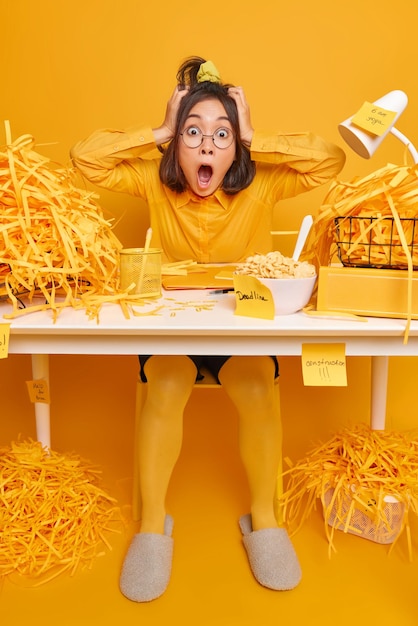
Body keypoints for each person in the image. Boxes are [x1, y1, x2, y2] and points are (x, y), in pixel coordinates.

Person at [71, 56, 346, 602]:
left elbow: (328, 160)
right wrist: (160, 130)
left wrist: (251, 135)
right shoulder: (155, 181)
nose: (205, 146)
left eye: (220, 136)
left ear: (236, 148)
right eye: (193, 133)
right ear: (177, 144)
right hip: (172, 328)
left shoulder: (261, 183)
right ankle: (152, 526)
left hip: (244, 323)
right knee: (166, 384)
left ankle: (265, 519)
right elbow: (86, 160)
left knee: (254, 385)